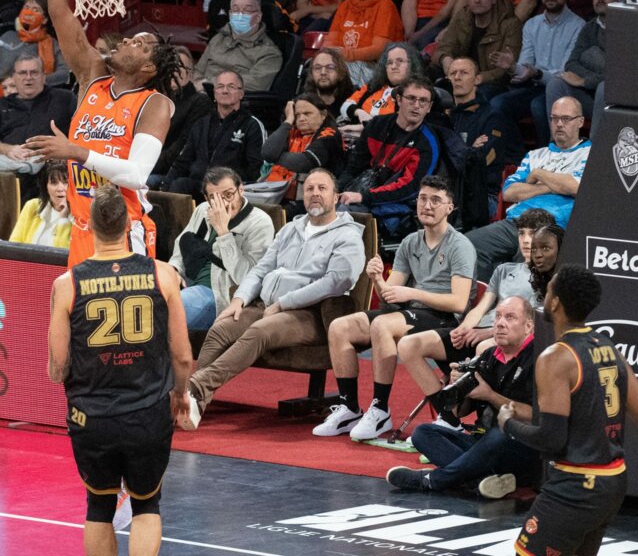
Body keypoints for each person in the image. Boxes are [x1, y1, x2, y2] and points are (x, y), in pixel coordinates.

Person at [23, 0, 178, 268]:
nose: (126, 41)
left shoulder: (154, 104)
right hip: (81, 227)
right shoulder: (93, 75)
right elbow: (58, 8)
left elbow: (137, 173)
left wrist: (75, 151)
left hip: (125, 231)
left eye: (139, 45)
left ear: (148, 69)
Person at [47, 185, 192, 556]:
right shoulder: (163, 275)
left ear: (90, 226)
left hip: (92, 414)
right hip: (147, 412)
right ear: (130, 224)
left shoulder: (66, 285)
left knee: (98, 506)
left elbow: (58, 366)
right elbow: (183, 357)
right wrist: (180, 395)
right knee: (146, 505)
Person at [182, 169, 365, 429]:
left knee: (259, 331)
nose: (314, 193)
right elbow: (261, 269)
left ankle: (193, 388)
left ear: (336, 197)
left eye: (322, 189)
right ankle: (195, 405)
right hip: (266, 305)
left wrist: (284, 303)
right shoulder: (292, 228)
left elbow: (337, 281)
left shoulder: (347, 235)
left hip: (310, 314)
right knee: (221, 328)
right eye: (309, 188)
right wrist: (240, 299)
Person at [499, 266, 638, 556]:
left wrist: (507, 423)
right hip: (612, 484)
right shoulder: (610, 348)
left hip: (575, 485)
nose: (545, 296)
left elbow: (552, 439)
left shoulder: (556, 357)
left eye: (548, 292)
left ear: (555, 302)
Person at [316, 176, 474, 439]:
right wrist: (377, 278)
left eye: (436, 200)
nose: (427, 205)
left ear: (450, 207)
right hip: (410, 312)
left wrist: (412, 292)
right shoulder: (411, 242)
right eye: (423, 198)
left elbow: (458, 302)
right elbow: (390, 297)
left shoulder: (460, 246)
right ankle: (349, 407)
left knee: (382, 324)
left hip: (445, 320)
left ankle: (380, 409)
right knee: (340, 327)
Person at [398, 207, 553, 426]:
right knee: (409, 345)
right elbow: (481, 308)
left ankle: (481, 418)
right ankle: (448, 417)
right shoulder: (503, 270)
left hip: (504, 339)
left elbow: (536, 323)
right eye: (522, 233)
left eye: (533, 234)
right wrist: (464, 328)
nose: (526, 240)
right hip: (478, 333)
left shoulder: (550, 277)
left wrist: (487, 332)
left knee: (485, 348)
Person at [387, 295, 539, 498]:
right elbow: (459, 412)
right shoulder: (488, 356)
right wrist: (459, 385)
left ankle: (433, 480)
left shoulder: (539, 358)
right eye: (498, 317)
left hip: (520, 446)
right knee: (423, 433)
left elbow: (535, 415)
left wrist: (490, 395)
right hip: (483, 443)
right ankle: (482, 479)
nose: (501, 324)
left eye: (510, 318)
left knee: (499, 434)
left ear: (528, 326)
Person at [465, 95, 590, 281]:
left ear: (580, 122)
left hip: (551, 226)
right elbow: (510, 192)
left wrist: (539, 174)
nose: (559, 124)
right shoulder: (535, 155)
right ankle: (484, 302)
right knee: (468, 244)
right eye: (554, 118)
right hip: (515, 222)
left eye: (566, 119)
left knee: (525, 265)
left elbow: (574, 187)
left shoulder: (590, 154)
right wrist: (552, 186)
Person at [168, 167, 276, 332]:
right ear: (206, 198)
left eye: (228, 194)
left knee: (165, 310)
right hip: (186, 284)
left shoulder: (260, 223)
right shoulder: (203, 210)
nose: (223, 203)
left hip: (219, 294)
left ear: (241, 190)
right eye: (214, 197)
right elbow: (180, 247)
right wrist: (174, 271)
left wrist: (223, 233)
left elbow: (248, 278)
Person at [337, 75, 444, 235]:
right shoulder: (376, 125)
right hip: (363, 193)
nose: (417, 106)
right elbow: (353, 168)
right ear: (399, 100)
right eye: (411, 98)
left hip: (396, 203)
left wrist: (364, 197)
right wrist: (335, 191)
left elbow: (411, 189)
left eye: (423, 101)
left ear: (429, 107)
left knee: (344, 217)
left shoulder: (428, 143)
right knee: (320, 206)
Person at [488, 0, 585, 143]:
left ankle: (547, 154)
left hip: (562, 90)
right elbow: (526, 65)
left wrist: (536, 73)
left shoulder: (578, 26)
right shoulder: (532, 24)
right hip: (533, 86)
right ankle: (517, 156)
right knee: (497, 104)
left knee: (538, 106)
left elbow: (565, 73)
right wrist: (513, 67)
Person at [161, 70, 266, 197]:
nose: (225, 91)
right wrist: (164, 189)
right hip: (199, 186)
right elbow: (182, 162)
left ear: (241, 93)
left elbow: (257, 169)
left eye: (231, 87)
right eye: (220, 86)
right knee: (178, 185)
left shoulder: (252, 125)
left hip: (230, 192)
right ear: (215, 93)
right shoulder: (201, 124)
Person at [0, 55, 77, 175]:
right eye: (22, 73)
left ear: (43, 76)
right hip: (12, 169)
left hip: (56, 169)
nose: (28, 77)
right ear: (14, 77)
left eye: (34, 72)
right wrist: (6, 149)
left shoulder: (65, 99)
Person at [444, 56, 523, 202]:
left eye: (464, 73)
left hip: (482, 196)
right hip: (447, 191)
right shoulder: (444, 116)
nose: (457, 77)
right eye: (452, 73)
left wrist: (458, 156)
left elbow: (482, 161)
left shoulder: (492, 117)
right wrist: (469, 149)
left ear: (477, 80)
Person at [545, 0, 613, 140]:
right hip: (589, 97)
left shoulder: (628, 29)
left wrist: (585, 81)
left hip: (614, 100)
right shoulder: (589, 28)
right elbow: (572, 64)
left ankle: (594, 150)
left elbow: (620, 75)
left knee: (605, 87)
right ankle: (558, 144)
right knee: (557, 84)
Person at [432, 0, 523, 98]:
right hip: (460, 75)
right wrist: (445, 59)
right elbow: (443, 48)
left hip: (489, 82)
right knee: (430, 73)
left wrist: (475, 79)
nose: (477, 0)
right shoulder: (462, 17)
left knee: (480, 94)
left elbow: (505, 70)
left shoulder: (510, 24)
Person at [323, 0, 405, 85]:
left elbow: (379, 50)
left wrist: (346, 55)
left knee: (343, 71)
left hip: (375, 66)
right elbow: (330, 41)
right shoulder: (346, 5)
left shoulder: (385, 5)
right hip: (342, 62)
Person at [261, 93, 346, 213]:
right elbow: (267, 152)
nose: (301, 118)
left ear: (323, 115)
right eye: (297, 115)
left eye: (307, 114)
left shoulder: (330, 133)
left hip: (315, 199)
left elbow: (304, 162)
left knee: (277, 214)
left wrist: (275, 156)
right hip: (278, 195)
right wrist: (288, 120)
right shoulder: (291, 130)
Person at [192, 0, 283, 92]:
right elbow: (198, 70)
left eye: (247, 10)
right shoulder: (218, 39)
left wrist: (209, 84)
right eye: (235, 10)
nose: (240, 15)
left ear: (258, 17)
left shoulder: (269, 53)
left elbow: (256, 84)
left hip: (231, 101)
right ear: (230, 15)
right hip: (200, 96)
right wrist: (195, 87)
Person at [150, 47, 212, 188]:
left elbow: (182, 146)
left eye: (180, 67)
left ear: (190, 74)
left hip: (171, 171)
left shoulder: (199, 102)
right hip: (145, 165)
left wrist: (145, 166)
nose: (174, 71)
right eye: (170, 66)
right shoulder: (154, 98)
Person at [338, 42, 424, 133]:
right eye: (390, 63)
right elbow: (345, 106)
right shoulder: (372, 87)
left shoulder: (416, 92)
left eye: (400, 61)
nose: (394, 66)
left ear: (412, 65)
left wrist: (365, 127)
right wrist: (359, 112)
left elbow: (401, 124)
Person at [0, 0, 71, 87]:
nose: (29, 12)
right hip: (0, 92)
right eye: (26, 8)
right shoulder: (7, 36)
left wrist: (37, 81)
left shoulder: (52, 44)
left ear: (44, 20)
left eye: (35, 10)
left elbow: (64, 73)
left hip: (34, 94)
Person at [10, 160, 73, 248]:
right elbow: (14, 246)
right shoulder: (32, 206)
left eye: (65, 182)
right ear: (46, 186)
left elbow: (65, 256)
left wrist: (63, 219)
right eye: (54, 183)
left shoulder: (81, 218)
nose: (60, 188)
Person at [301, 48, 355, 119]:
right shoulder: (302, 104)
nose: (323, 72)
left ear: (341, 73)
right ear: (311, 73)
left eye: (330, 67)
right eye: (317, 68)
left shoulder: (354, 101)